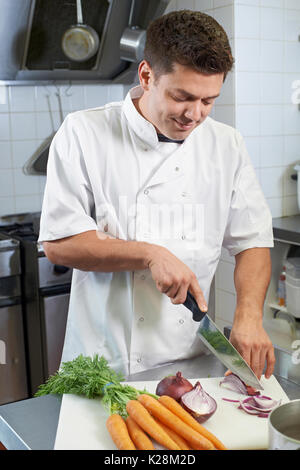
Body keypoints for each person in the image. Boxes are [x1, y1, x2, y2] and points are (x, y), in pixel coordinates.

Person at [38, 10, 275, 379]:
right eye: (183, 96)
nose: (194, 115)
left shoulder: (226, 144)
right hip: (105, 363)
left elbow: (253, 240)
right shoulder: (84, 132)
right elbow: (59, 243)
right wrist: (149, 254)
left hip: (188, 361)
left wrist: (249, 314)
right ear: (147, 75)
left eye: (209, 101)